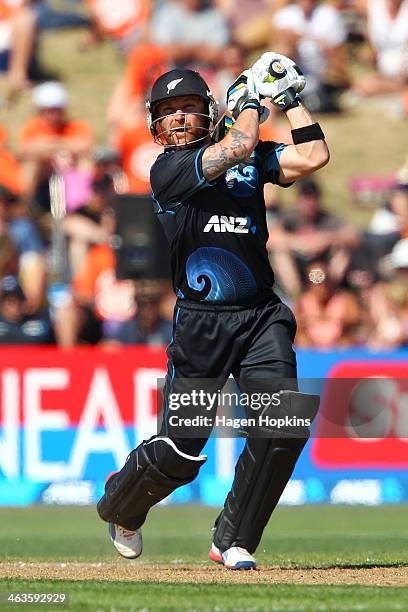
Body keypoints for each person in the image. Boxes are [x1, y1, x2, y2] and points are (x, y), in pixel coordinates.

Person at [97, 54, 330, 569]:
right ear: (156, 124)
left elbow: (313, 156)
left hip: (261, 316)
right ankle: (121, 502)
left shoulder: (246, 159)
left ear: (208, 112)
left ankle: (233, 539)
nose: (179, 118)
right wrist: (251, 96)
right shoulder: (167, 171)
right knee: (180, 455)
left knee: (283, 424)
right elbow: (238, 144)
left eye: (188, 108)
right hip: (202, 325)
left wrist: (291, 101)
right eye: (169, 111)